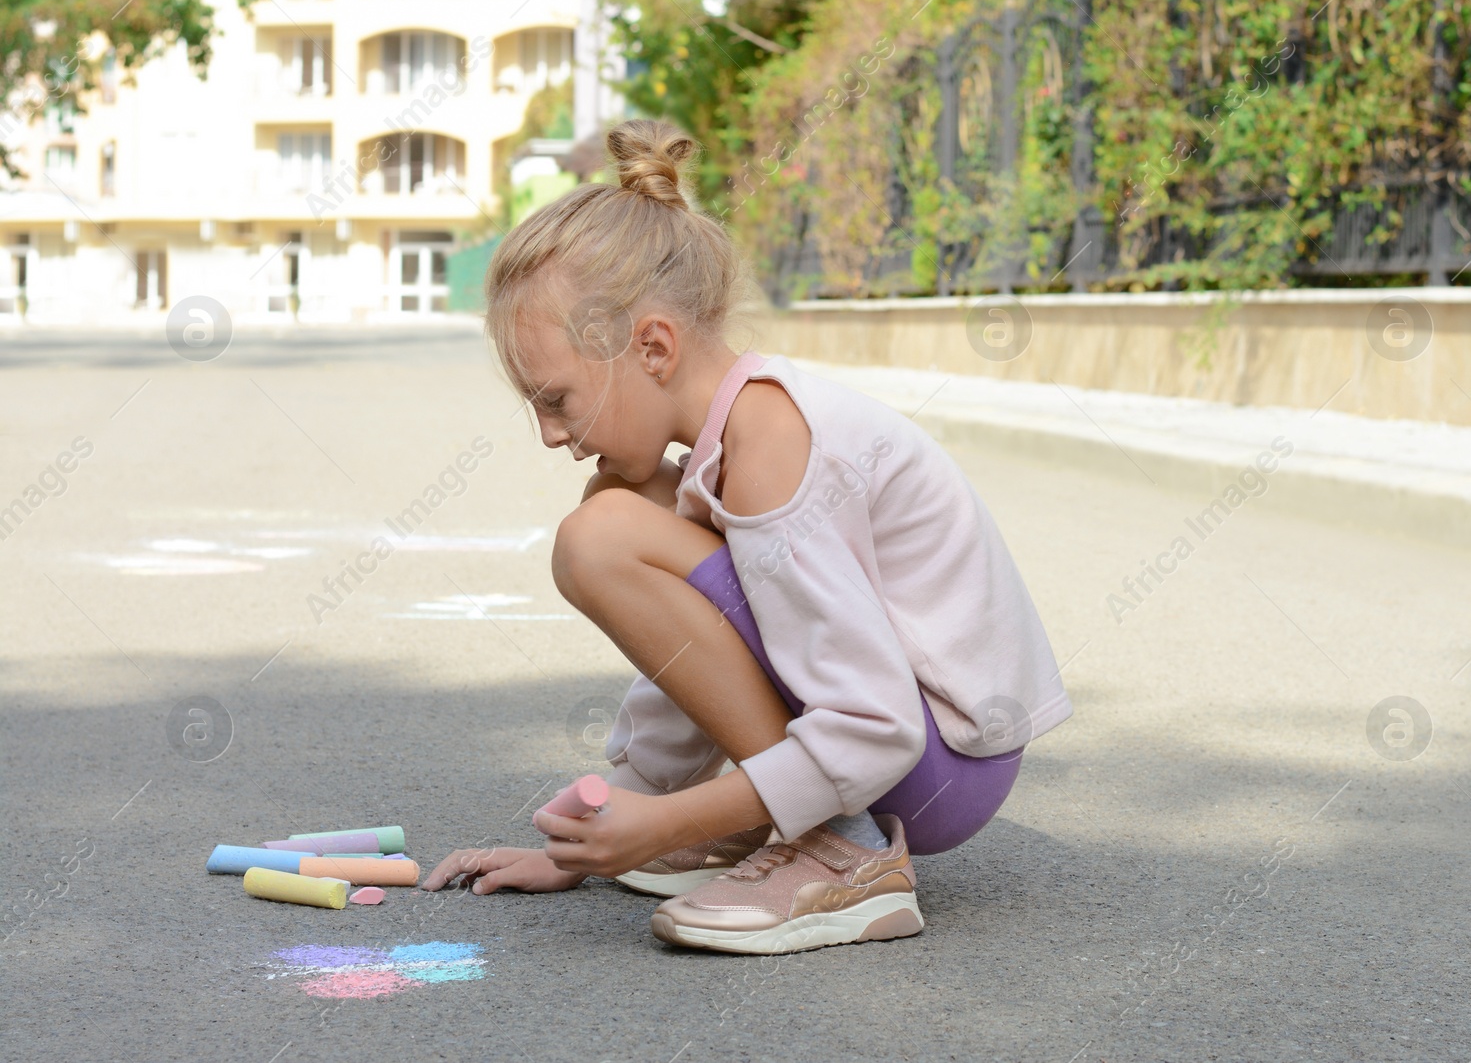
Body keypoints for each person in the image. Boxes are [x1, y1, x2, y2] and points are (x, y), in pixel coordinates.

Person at [422, 118, 1073, 956]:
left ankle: (845, 850)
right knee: (617, 509)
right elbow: (704, 652)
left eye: (557, 399)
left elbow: (877, 727)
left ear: (652, 345)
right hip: (911, 742)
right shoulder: (729, 441)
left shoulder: (770, 449)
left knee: (603, 532)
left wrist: (662, 820)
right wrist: (590, 837)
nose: (551, 434)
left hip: (937, 763)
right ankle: (790, 821)